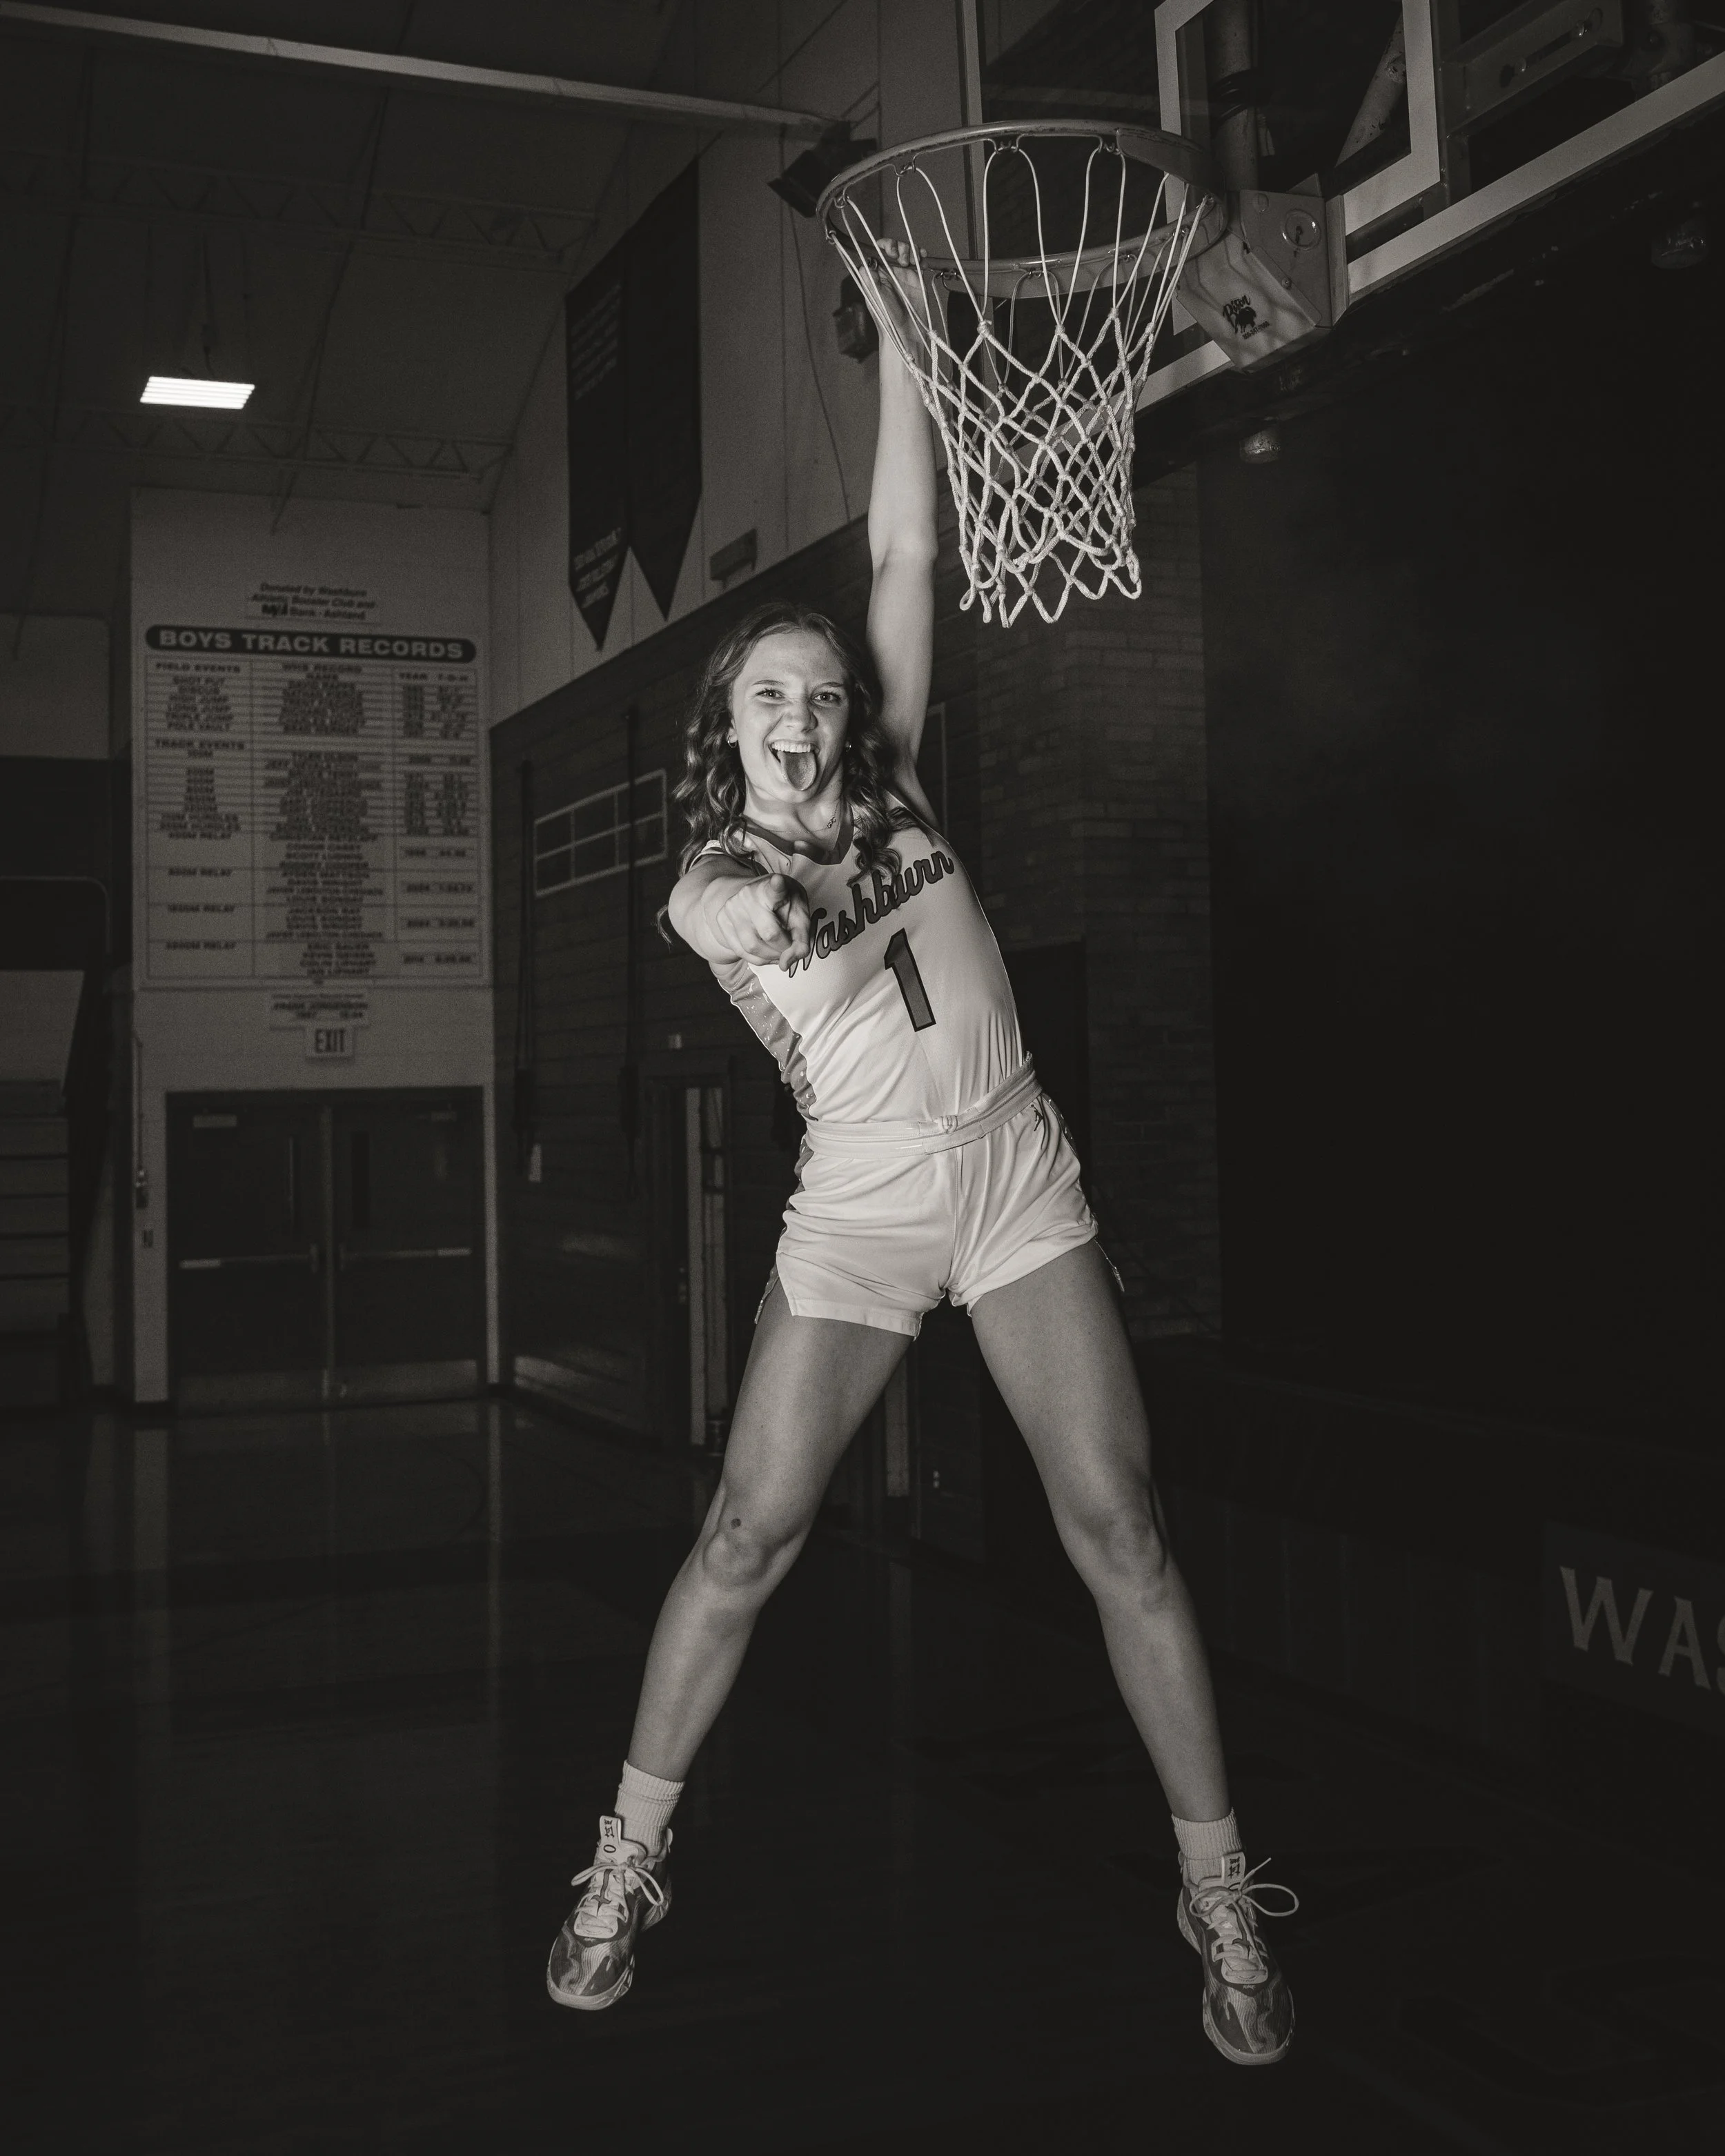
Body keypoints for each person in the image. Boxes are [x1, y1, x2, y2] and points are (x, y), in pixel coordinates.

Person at [546, 248, 1296, 2066]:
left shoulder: (889, 783)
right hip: (867, 1209)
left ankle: (1219, 1893)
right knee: (746, 1532)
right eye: (772, 702)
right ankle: (623, 1861)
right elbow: (761, 916)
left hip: (1017, 1174)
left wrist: (897, 345)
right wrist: (794, 877)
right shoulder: (714, 879)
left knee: (1123, 1533)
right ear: (731, 729)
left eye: (823, 695)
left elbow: (899, 552)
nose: (806, 717)